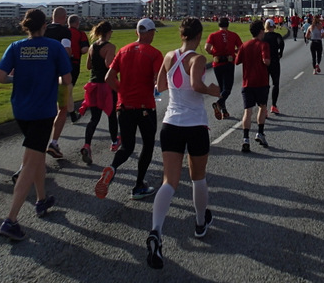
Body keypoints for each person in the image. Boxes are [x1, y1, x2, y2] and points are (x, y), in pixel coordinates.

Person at [146, 18, 220, 269]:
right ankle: (200, 223)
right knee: (198, 177)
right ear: (198, 35)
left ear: (181, 35)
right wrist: (213, 90)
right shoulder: (197, 59)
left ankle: (156, 230)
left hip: (170, 124)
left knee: (170, 181)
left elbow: (160, 85)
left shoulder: (169, 56)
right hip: (195, 124)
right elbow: (198, 84)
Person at [0, 9, 72, 241]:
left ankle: (41, 199)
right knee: (30, 162)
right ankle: (11, 219)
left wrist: (16, 78)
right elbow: (66, 80)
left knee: (36, 155)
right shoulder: (54, 47)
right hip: (42, 111)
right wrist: (54, 80)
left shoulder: (16, 47)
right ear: (44, 26)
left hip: (21, 110)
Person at [95, 18, 164, 201]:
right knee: (148, 145)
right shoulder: (155, 54)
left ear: (136, 32)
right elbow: (159, 81)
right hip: (145, 106)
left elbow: (109, 77)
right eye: (152, 33)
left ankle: (113, 167)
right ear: (149, 33)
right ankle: (139, 185)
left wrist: (122, 90)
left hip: (124, 105)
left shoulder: (123, 50)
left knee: (127, 146)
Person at [79, 21, 119, 164]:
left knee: (94, 118)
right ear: (109, 32)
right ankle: (115, 141)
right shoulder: (110, 47)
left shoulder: (92, 46)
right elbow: (109, 65)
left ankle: (87, 145)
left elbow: (88, 65)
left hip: (93, 85)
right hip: (106, 86)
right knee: (111, 114)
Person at [235, 20, 271, 153]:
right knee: (262, 107)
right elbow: (266, 61)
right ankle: (260, 133)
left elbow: (237, 61)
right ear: (261, 31)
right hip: (261, 82)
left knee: (247, 111)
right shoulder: (263, 45)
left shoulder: (244, 45)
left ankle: (245, 138)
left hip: (247, 82)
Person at [44, 7, 73, 159]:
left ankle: (39, 143)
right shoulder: (65, 32)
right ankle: (54, 142)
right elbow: (66, 50)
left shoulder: (44, 30)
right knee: (62, 109)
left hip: (42, 76)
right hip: (61, 76)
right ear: (64, 17)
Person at [205, 17, 242, 120]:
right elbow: (240, 47)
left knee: (222, 88)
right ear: (228, 25)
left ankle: (224, 111)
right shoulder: (233, 35)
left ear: (219, 25)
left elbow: (207, 48)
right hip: (229, 62)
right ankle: (219, 104)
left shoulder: (213, 35)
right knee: (227, 89)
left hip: (217, 64)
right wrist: (233, 52)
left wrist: (214, 53)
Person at [67, 14, 90, 123]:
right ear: (77, 23)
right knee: (68, 89)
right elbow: (84, 49)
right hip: (73, 64)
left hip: (58, 64)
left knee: (61, 89)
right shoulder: (81, 34)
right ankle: (71, 114)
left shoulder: (62, 33)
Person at [263, 18, 285, 115]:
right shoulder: (277, 35)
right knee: (275, 83)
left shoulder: (262, 36)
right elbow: (281, 43)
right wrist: (280, 52)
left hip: (264, 61)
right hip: (275, 60)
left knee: (264, 85)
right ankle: (274, 105)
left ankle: (264, 108)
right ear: (273, 26)